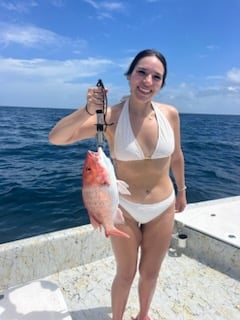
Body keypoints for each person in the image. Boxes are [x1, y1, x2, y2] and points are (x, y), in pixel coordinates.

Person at [49, 49, 187, 320]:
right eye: (141, 72)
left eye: (156, 77)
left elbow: (177, 156)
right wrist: (87, 110)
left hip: (163, 206)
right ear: (129, 76)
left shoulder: (170, 114)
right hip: (123, 209)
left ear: (162, 84)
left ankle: (143, 315)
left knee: (150, 272)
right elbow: (57, 138)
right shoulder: (109, 116)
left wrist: (182, 191)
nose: (147, 81)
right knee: (125, 274)